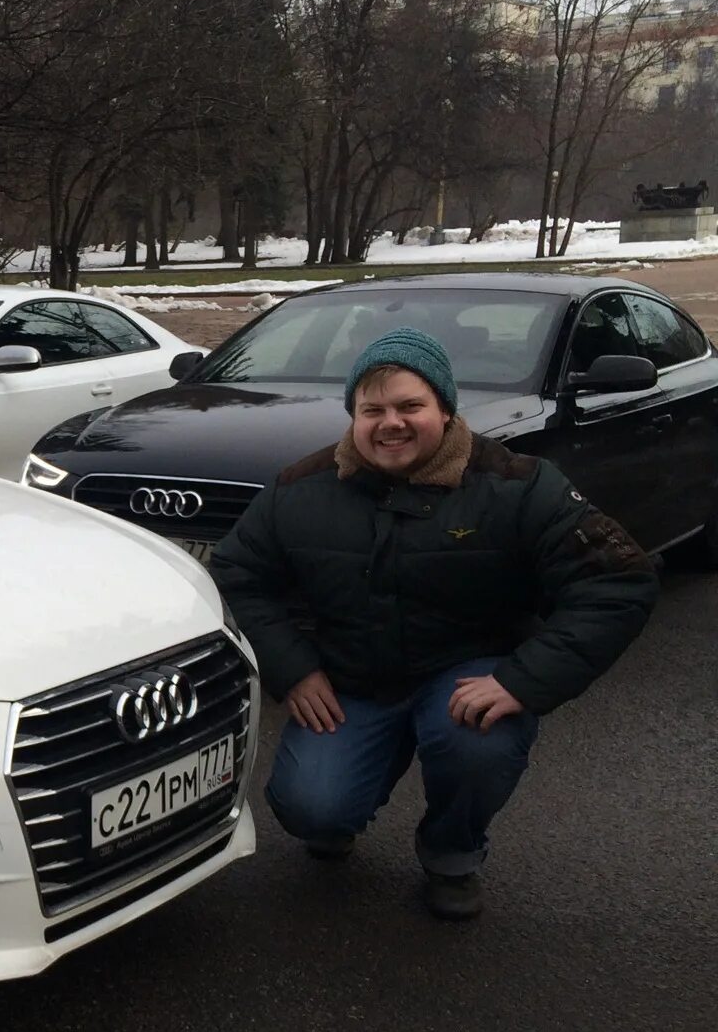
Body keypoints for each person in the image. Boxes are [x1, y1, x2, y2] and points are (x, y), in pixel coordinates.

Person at [209, 327, 658, 920]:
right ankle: (347, 798)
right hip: (353, 679)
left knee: (478, 747)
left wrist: (522, 681)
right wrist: (294, 670)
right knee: (311, 809)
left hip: (466, 676)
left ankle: (452, 853)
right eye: (372, 409)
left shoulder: (519, 486)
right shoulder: (301, 490)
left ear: (445, 411)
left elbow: (618, 580)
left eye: (410, 406)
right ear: (353, 416)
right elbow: (238, 573)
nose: (389, 423)